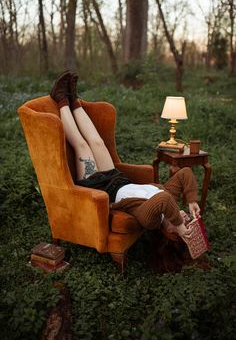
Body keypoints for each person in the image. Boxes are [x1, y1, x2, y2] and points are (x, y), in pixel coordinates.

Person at [50, 71, 200, 240]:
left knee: (82, 146)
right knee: (98, 142)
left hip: (100, 189)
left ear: (170, 231)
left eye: (186, 224)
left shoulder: (152, 219)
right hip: (116, 178)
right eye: (188, 220)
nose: (186, 219)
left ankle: (61, 99)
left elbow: (163, 200)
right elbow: (185, 173)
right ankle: (74, 99)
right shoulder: (171, 202)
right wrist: (192, 201)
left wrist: (179, 224)